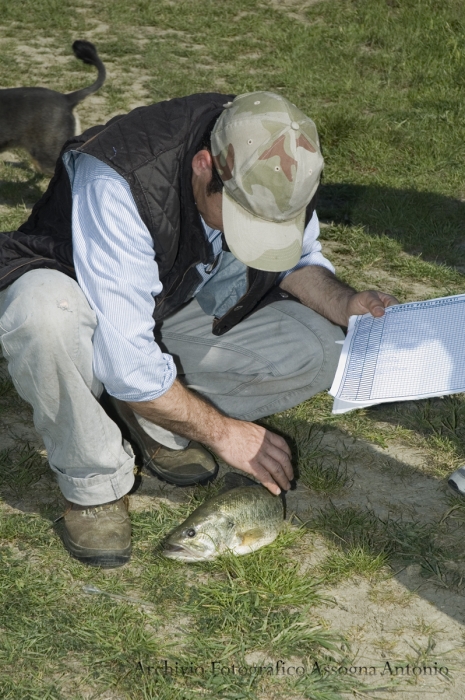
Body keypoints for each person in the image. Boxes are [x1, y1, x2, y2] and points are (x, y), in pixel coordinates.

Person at [0, 91, 397, 568]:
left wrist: (346, 303)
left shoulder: (281, 160)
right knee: (43, 312)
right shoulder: (121, 176)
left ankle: (148, 410)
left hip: (166, 297)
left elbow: (298, 262)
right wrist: (223, 433)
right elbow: (127, 359)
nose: (247, 236)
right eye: (242, 219)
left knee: (325, 345)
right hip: (73, 288)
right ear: (204, 165)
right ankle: (94, 481)